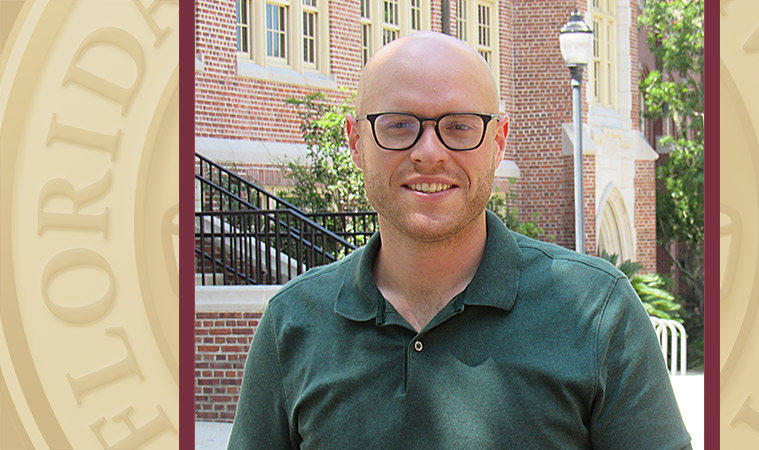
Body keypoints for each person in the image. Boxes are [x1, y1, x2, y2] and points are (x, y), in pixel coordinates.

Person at [227, 32, 692, 449]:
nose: (429, 152)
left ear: (499, 140)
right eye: (398, 125)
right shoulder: (292, 323)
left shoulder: (597, 314)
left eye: (460, 126)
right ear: (355, 142)